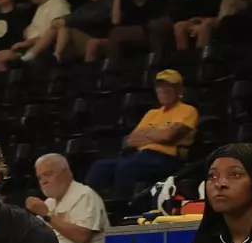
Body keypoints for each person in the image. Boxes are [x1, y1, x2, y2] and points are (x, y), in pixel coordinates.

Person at [84, 69, 198, 197]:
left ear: (179, 90)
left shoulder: (188, 110)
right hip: (141, 156)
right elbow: (130, 140)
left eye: (168, 86)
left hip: (166, 159)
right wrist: (158, 134)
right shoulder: (152, 113)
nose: (163, 90)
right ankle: (90, 206)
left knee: (127, 166)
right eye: (159, 86)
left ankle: (122, 207)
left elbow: (168, 136)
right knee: (100, 167)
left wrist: (148, 133)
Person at [25, 153, 107, 243]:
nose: (43, 181)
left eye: (48, 174)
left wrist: (46, 215)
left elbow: (82, 237)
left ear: (65, 173)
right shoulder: (49, 203)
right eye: (40, 177)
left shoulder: (84, 195)